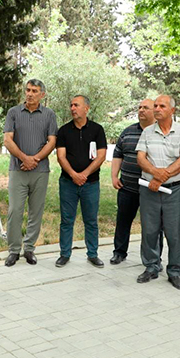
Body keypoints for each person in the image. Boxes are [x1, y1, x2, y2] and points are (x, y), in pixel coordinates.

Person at [136, 95, 180, 289]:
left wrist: (161, 177)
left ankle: (175, 271)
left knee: (174, 232)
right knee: (149, 230)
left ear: (172, 110)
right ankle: (152, 267)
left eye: (162, 106)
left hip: (174, 190)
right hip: (149, 189)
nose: (157, 109)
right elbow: (141, 158)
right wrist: (155, 174)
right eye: (155, 106)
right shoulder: (147, 132)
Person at [3, 79, 58, 267]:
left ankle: (29, 248)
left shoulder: (49, 114)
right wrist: (24, 159)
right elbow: (7, 140)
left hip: (40, 171)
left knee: (36, 211)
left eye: (34, 91)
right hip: (17, 170)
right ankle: (13, 250)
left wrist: (35, 159)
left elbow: (52, 141)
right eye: (28, 90)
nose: (30, 94)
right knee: (15, 210)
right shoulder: (13, 112)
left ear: (42, 94)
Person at [55, 95, 107, 268]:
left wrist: (84, 174)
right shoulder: (64, 131)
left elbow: (101, 156)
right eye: (71, 105)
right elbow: (61, 156)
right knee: (66, 220)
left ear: (86, 108)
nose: (72, 108)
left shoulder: (97, 130)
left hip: (91, 184)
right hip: (68, 183)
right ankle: (64, 254)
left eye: (76, 105)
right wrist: (73, 175)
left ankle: (92, 254)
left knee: (91, 220)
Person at [110, 99, 158, 265]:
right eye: (139, 107)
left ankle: (153, 258)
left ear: (154, 111)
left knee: (152, 226)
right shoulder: (128, 132)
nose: (141, 110)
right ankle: (119, 252)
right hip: (127, 187)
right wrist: (114, 176)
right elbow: (118, 154)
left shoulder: (159, 132)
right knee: (123, 221)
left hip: (151, 188)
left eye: (146, 108)